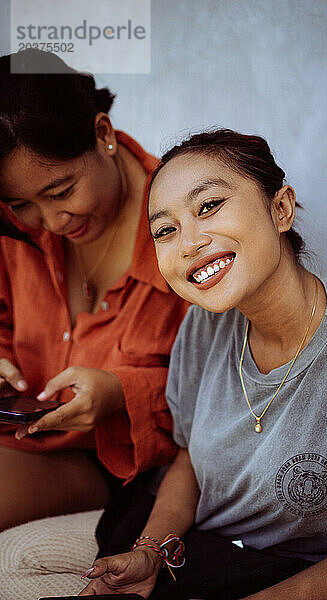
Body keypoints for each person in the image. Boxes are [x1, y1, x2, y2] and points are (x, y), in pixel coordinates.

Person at [80, 129, 327, 600]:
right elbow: (189, 460)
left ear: (281, 209)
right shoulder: (200, 328)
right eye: (165, 230)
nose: (188, 242)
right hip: (196, 556)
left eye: (208, 206)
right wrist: (150, 552)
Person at [0, 48, 188, 532]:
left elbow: (234, 390)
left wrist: (123, 393)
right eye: (23, 204)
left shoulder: (188, 231)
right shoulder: (12, 226)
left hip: (109, 467)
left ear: (102, 134)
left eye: (62, 192)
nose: (51, 223)